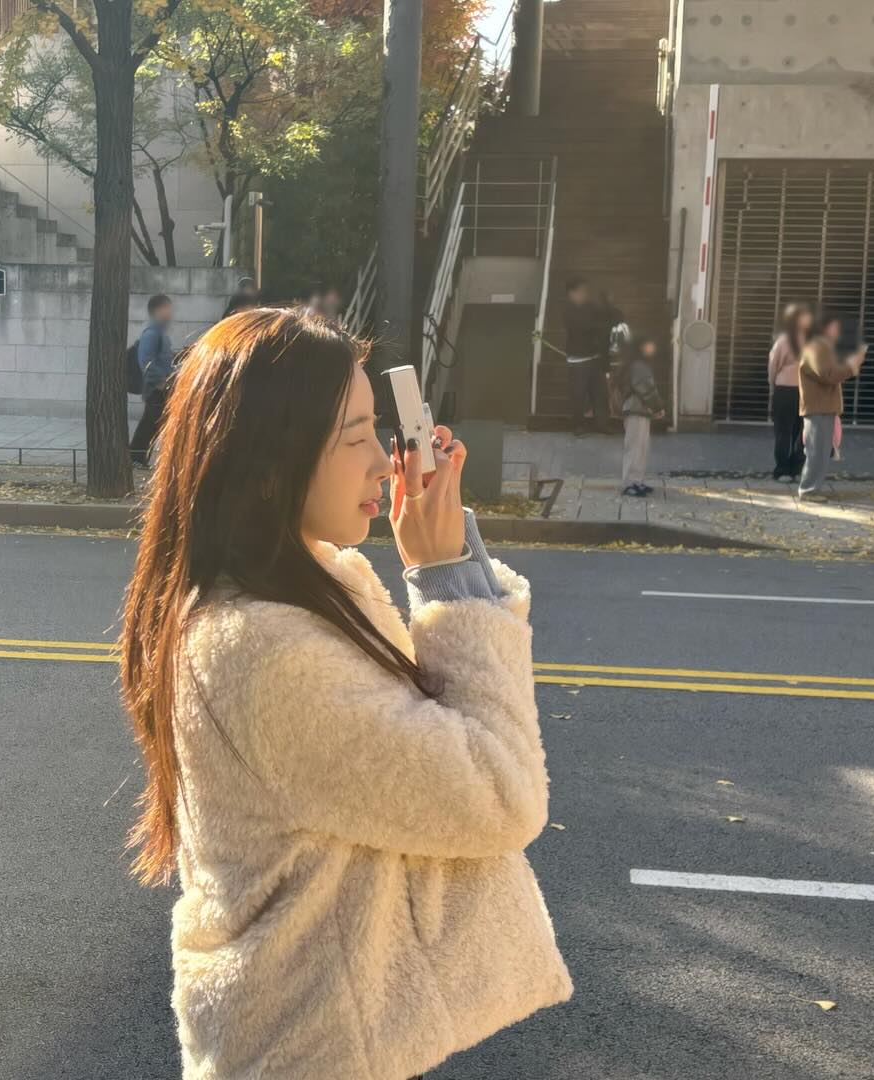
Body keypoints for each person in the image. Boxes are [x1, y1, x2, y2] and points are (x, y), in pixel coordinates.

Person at [119, 309, 572, 1080]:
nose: (386, 465)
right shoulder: (265, 653)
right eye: (356, 436)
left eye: (380, 432)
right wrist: (445, 577)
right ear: (271, 463)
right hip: (312, 1050)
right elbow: (500, 795)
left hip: (315, 1035)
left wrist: (445, 562)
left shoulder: (294, 587)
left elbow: (424, 731)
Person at [798, 311, 865, 499]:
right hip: (818, 407)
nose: (838, 330)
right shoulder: (815, 348)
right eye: (835, 326)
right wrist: (851, 366)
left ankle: (811, 488)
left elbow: (829, 373)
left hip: (822, 406)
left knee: (820, 451)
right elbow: (828, 375)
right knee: (816, 452)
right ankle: (809, 490)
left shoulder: (821, 347)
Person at [562, 276, 613, 435]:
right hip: (578, 359)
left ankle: (602, 424)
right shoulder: (568, 310)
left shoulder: (591, 306)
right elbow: (582, 327)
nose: (585, 294)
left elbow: (604, 322)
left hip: (595, 357)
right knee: (578, 395)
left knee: (600, 394)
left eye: (586, 291)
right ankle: (578, 426)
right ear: (572, 293)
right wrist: (596, 327)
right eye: (582, 291)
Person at [616, 336, 666, 497]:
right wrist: (658, 406)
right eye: (649, 345)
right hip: (636, 410)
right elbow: (646, 388)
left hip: (639, 410)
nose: (652, 348)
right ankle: (629, 483)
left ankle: (636, 481)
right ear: (641, 347)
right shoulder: (639, 365)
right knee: (635, 447)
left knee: (640, 447)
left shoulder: (637, 364)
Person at [130, 294, 175, 467]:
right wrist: (160, 381)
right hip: (156, 389)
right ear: (158, 310)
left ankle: (137, 458)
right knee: (150, 425)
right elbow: (145, 361)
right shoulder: (152, 333)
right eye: (167, 308)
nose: (170, 313)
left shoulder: (160, 333)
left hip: (161, 387)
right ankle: (136, 458)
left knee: (151, 425)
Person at [768, 303, 812, 481]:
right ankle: (797, 468)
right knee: (801, 431)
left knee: (783, 430)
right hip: (805, 390)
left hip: (784, 389)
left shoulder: (783, 340)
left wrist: (772, 383)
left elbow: (773, 364)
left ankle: (782, 469)